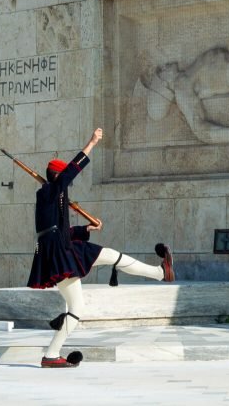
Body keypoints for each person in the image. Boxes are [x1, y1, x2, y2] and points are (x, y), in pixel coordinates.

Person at [26, 127, 174, 368]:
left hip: (64, 249)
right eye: (64, 179)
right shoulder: (49, 193)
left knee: (112, 256)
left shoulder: (50, 197)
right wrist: (91, 143)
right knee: (77, 308)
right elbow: (72, 170)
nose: (68, 184)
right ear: (58, 177)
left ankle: (160, 273)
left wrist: (84, 230)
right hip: (60, 257)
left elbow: (57, 231)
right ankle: (51, 355)